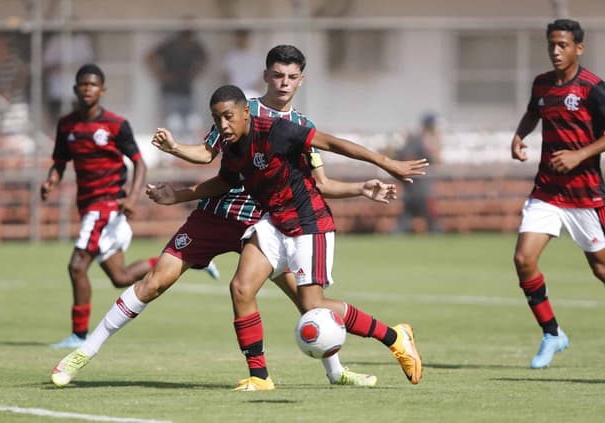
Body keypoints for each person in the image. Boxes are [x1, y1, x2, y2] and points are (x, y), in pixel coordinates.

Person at [50, 45, 405, 389]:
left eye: (291, 77)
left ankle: (335, 370)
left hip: (265, 223)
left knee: (307, 301)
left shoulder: (299, 126)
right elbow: (208, 156)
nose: (283, 83)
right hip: (217, 215)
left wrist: (361, 188)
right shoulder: (236, 109)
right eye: (277, 75)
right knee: (156, 282)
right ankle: (84, 352)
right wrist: (175, 153)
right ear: (266, 76)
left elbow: (321, 184)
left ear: (301, 81)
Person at [149, 84, 427, 391]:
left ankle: (394, 337)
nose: (223, 126)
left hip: (309, 222)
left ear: (245, 113)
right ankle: (260, 377)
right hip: (273, 222)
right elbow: (222, 183)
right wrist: (177, 196)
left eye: (228, 117)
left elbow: (332, 143)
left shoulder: (278, 131)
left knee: (313, 304)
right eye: (217, 119)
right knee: (241, 287)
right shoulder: (231, 146)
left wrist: (387, 164)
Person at [41, 64, 158, 349]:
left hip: (106, 205)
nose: (88, 89)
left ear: (102, 90)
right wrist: (50, 181)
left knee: (77, 266)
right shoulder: (67, 125)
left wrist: (132, 198)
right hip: (88, 206)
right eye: (83, 84)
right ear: (75, 89)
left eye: (93, 85)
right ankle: (177, 261)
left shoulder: (116, 125)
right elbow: (59, 161)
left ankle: (79, 336)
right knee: (120, 277)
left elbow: (139, 163)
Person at [510, 19, 605, 369]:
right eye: (551, 44)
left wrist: (581, 154)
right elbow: (533, 113)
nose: (555, 51)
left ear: (578, 48)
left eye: (563, 45)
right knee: (523, 259)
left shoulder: (593, 88)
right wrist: (520, 136)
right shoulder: (542, 84)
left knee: (600, 268)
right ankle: (552, 333)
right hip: (547, 191)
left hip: (585, 195)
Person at [146, 26, 208, 142]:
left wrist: (195, 73)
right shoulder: (170, 45)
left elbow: (205, 58)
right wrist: (161, 75)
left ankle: (188, 153)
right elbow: (149, 57)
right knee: (173, 124)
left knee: (192, 124)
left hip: (187, 90)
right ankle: (173, 155)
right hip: (170, 91)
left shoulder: (194, 46)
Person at [395, 113, 442, 234]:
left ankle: (394, 237)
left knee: (405, 218)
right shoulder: (426, 141)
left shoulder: (413, 139)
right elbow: (436, 160)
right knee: (432, 221)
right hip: (422, 187)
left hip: (410, 186)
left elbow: (399, 157)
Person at [42, 31, 96, 131]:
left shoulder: (82, 40)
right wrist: (61, 67)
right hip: (57, 92)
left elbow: (90, 66)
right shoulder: (55, 41)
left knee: (79, 126)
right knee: (57, 126)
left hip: (79, 94)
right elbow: (46, 67)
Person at [221, 30, 263, 99]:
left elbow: (263, 75)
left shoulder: (256, 56)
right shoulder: (230, 56)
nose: (241, 40)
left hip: (252, 93)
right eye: (239, 38)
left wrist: (256, 88)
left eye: (243, 38)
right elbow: (224, 75)